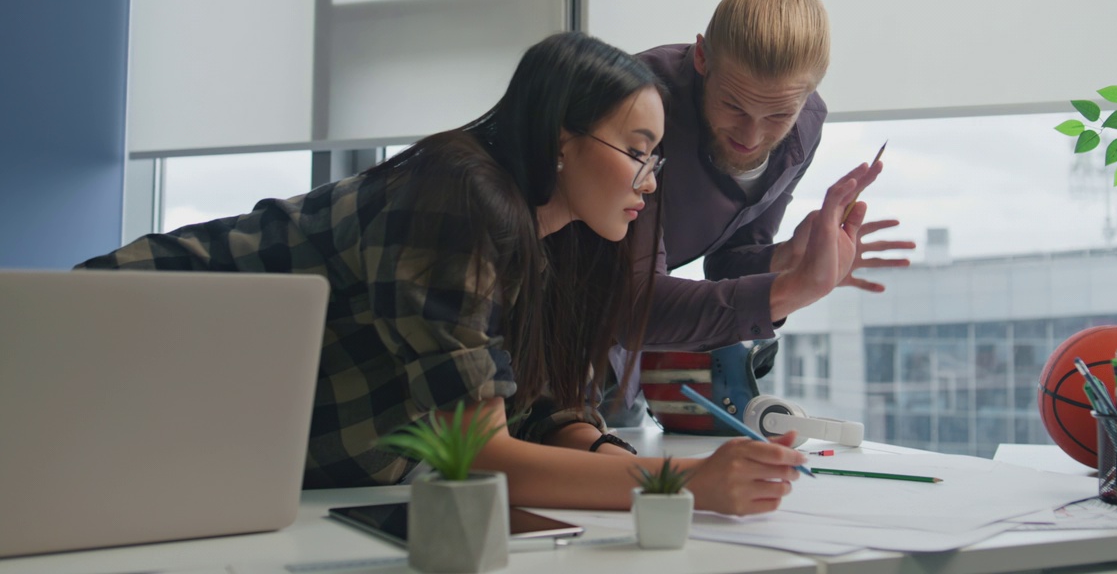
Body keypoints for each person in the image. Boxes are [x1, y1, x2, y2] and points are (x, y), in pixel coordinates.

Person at [77, 32, 814, 514]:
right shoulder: (457, 198)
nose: (652, 180)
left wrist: (612, 458)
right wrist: (682, 484)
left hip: (209, 451)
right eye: (638, 149)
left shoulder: (565, 237)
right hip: (105, 350)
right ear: (563, 140)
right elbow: (480, 453)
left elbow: (544, 407)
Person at [609, 0, 915, 418]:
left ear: (810, 92)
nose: (752, 137)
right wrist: (794, 288)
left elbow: (728, 263)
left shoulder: (806, 125)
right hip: (538, 332)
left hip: (620, 371)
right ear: (702, 58)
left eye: (778, 114)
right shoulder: (638, 101)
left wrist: (787, 255)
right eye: (734, 105)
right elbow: (631, 300)